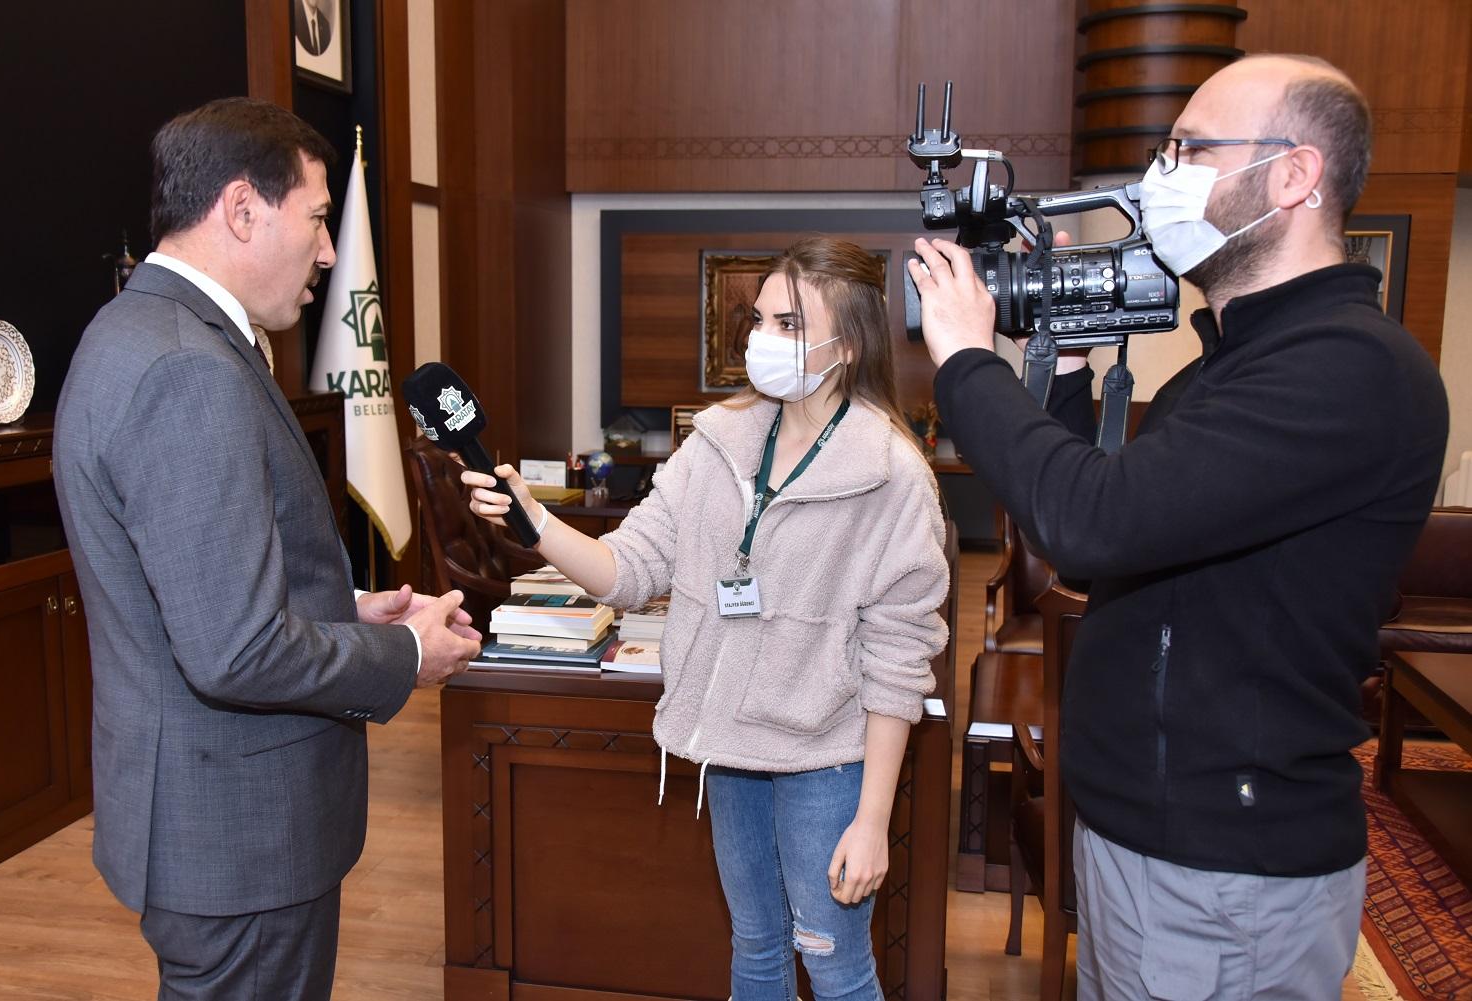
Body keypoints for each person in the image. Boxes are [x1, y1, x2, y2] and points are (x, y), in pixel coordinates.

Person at [910, 54, 1449, 999]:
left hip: (1222, 867)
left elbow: (1093, 521)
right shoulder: (1231, 367)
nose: (1163, 173)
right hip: (1151, 843)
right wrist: (1065, 371)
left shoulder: (1346, 368)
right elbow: (1097, 539)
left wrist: (965, 360)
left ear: (1294, 174)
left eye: (1190, 149)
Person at [53, 97, 481, 1000]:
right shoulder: (188, 368)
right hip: (239, 839)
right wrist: (407, 653)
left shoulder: (133, 329)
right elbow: (235, 649)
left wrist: (345, 608)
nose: (328, 252)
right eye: (318, 219)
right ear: (243, 209)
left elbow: (193, 583)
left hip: (209, 823)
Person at [464, 237, 949, 1001]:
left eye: (790, 324)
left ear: (849, 344)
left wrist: (872, 818)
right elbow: (629, 569)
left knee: (834, 965)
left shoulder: (891, 475)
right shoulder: (718, 440)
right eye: (760, 319)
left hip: (827, 762)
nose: (764, 339)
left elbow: (899, 658)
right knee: (755, 948)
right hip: (729, 747)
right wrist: (535, 523)